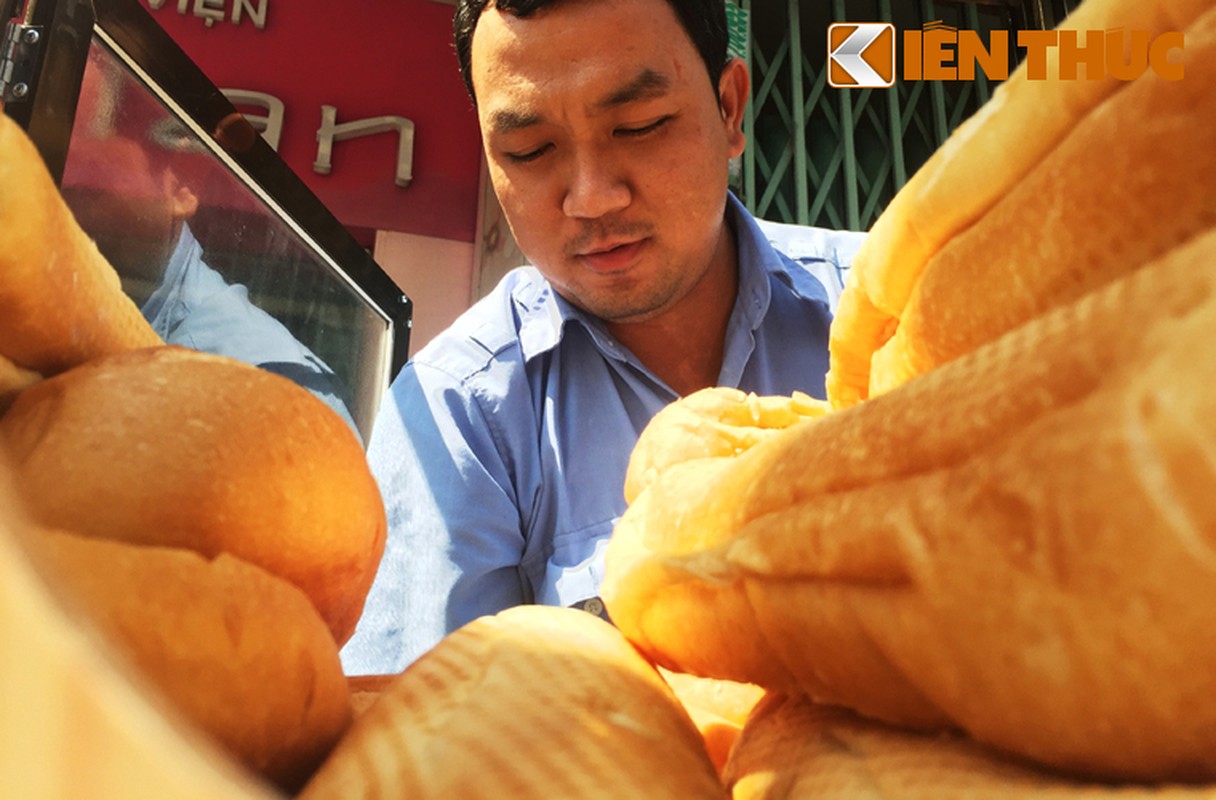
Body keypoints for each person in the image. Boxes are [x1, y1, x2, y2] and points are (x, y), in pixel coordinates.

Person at [341, 0, 866, 674]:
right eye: (528, 151)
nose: (591, 197)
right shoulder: (458, 414)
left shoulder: (884, 307)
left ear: (730, 109)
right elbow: (426, 742)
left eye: (640, 126)